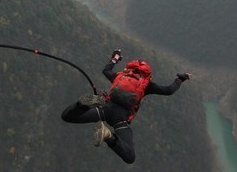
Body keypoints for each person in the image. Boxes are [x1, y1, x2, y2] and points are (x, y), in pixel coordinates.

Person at [61, 49, 191, 164]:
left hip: (104, 109)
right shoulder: (147, 85)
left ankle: (82, 105)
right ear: (147, 74)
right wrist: (180, 79)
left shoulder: (120, 76)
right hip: (120, 119)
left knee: (67, 116)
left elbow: (105, 70)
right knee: (130, 157)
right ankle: (108, 136)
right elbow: (168, 90)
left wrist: (115, 58)